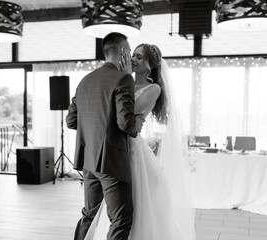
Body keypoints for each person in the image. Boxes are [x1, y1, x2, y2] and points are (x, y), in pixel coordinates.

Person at [83, 43, 196, 240]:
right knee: (112, 208)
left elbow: (126, 116)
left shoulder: (154, 89)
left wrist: (124, 79)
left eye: (139, 57)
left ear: (151, 65)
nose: (133, 59)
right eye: (133, 55)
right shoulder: (120, 80)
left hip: (131, 149)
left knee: (135, 205)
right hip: (110, 147)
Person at [66, 32, 144, 240]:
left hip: (88, 160)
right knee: (121, 218)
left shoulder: (85, 80)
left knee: (89, 215)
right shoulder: (123, 78)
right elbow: (126, 123)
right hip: (111, 161)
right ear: (124, 51)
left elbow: (71, 121)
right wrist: (139, 124)